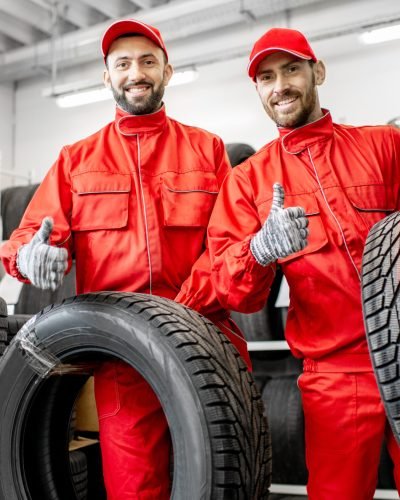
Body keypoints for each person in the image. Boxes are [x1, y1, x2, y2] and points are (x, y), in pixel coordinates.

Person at [0, 19, 251, 500]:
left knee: (229, 485)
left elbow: (227, 247)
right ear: (107, 77)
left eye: (147, 61)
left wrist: (177, 317)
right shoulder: (77, 159)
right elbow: (28, 238)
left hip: (210, 342)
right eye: (123, 64)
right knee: (136, 490)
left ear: (167, 71)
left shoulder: (208, 150)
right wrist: (30, 258)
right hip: (125, 366)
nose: (136, 73)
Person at [207, 27, 400, 499]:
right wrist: (259, 250)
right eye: (266, 77)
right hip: (336, 374)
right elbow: (233, 291)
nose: (280, 86)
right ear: (257, 90)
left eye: (291, 69)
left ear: (318, 71)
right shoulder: (249, 180)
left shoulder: (385, 147)